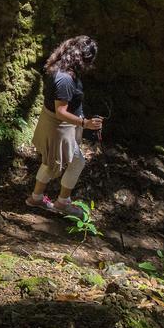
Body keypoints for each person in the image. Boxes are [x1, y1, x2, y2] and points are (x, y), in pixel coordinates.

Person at [26, 35, 102, 216]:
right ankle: (62, 203)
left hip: (57, 124)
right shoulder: (65, 79)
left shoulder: (61, 68)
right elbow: (60, 111)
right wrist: (85, 123)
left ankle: (36, 198)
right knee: (77, 162)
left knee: (50, 162)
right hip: (58, 126)